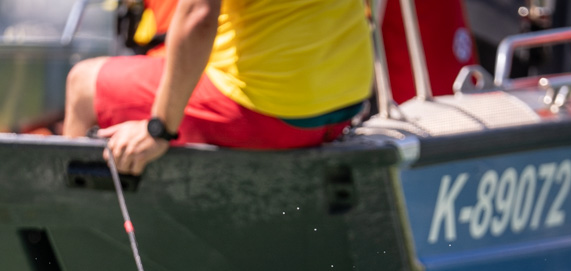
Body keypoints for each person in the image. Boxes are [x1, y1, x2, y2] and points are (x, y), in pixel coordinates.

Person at [62, 0, 374, 174]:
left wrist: (159, 128)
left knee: (83, 84)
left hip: (267, 111)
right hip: (346, 103)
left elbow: (198, 16)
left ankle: (66, 233)